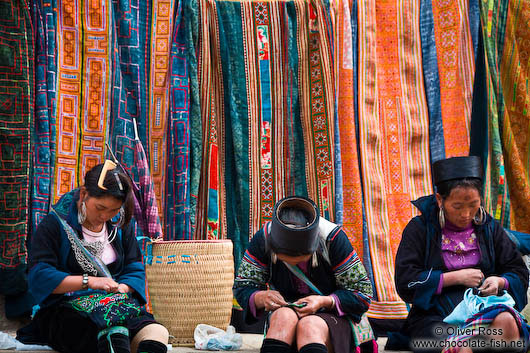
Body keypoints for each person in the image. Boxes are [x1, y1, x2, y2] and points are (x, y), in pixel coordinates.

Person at [17, 161, 169, 353]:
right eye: (100, 207)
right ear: (83, 194)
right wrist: (90, 282)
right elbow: (39, 275)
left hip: (115, 305)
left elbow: (133, 267)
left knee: (156, 333)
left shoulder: (120, 226)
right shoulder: (54, 225)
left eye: (113, 210)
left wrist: (123, 287)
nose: (105, 216)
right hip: (65, 310)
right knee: (112, 332)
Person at [394, 156, 529, 352]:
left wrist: (500, 282)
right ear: (440, 200)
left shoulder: (489, 228)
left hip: (483, 310)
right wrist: (453, 278)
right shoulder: (420, 229)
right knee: (462, 347)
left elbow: (516, 270)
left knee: (507, 322)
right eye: (457, 206)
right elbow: (406, 280)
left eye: (473, 204)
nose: (466, 214)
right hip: (435, 317)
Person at [233, 196, 374, 353]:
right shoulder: (264, 238)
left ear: (313, 247)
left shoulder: (333, 239)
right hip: (286, 315)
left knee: (309, 326)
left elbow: (362, 294)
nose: (294, 264)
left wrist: (325, 301)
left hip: (332, 316)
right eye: (285, 259)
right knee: (283, 318)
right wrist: (260, 298)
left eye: (299, 259)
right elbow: (243, 286)